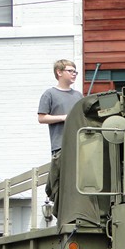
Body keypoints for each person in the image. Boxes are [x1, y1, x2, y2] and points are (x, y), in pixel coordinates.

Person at [38, 59, 83, 203]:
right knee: (62, 184)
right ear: (59, 72)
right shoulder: (49, 94)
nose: (74, 74)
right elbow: (42, 118)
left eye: (75, 71)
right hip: (60, 146)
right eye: (70, 71)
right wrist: (63, 117)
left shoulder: (78, 95)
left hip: (80, 145)